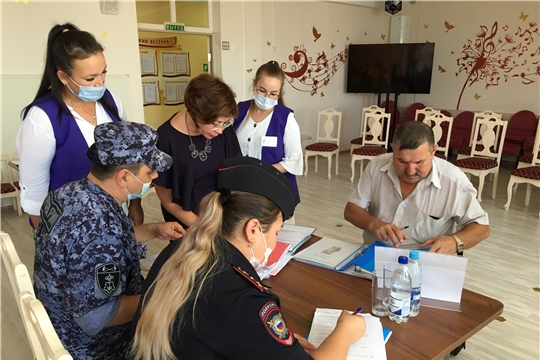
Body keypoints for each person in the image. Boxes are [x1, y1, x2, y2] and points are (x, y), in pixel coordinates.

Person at [131, 156, 366, 360]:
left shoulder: (182, 249)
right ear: (253, 229)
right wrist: (345, 330)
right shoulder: (242, 299)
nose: (275, 242)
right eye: (276, 231)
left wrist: (270, 342)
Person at [33, 122, 185, 359]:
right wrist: (164, 295)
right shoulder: (100, 228)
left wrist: (153, 230)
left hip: (58, 314)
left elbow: (88, 248)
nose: (155, 175)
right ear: (124, 177)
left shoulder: (68, 194)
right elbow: (99, 316)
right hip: (91, 346)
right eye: (149, 171)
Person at [16, 22, 144, 229]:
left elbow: (130, 157)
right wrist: (57, 244)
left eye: (103, 73)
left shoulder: (111, 103)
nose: (100, 83)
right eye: (90, 78)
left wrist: (135, 204)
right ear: (63, 77)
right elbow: (35, 199)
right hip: (71, 229)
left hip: (115, 218)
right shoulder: (42, 119)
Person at [344, 121, 490, 254]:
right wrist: (373, 223)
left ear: (434, 151)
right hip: (374, 253)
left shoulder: (453, 180)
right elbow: (351, 210)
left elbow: (482, 227)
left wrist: (455, 242)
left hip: (425, 258)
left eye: (419, 162)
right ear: (392, 149)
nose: (410, 171)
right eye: (401, 161)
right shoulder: (376, 166)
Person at [153, 73, 242, 229]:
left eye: (226, 123)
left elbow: (236, 172)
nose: (221, 130)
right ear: (196, 114)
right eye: (215, 124)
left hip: (224, 216)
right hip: (189, 222)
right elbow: (166, 199)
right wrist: (202, 228)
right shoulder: (166, 139)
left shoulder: (223, 129)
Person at [233, 60, 303, 199]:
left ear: (279, 93)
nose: (266, 97)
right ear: (254, 85)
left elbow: (293, 160)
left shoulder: (285, 118)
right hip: (239, 187)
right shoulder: (239, 110)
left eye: (273, 94)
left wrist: (260, 172)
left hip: (272, 189)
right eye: (262, 91)